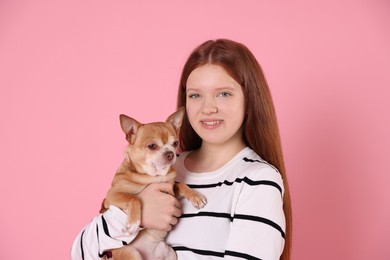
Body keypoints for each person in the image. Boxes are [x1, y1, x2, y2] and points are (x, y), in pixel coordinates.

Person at [71, 39, 292, 260]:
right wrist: (136, 213)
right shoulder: (161, 167)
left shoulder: (257, 181)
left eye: (224, 93)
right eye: (195, 95)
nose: (208, 108)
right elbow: (81, 253)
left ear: (249, 99)